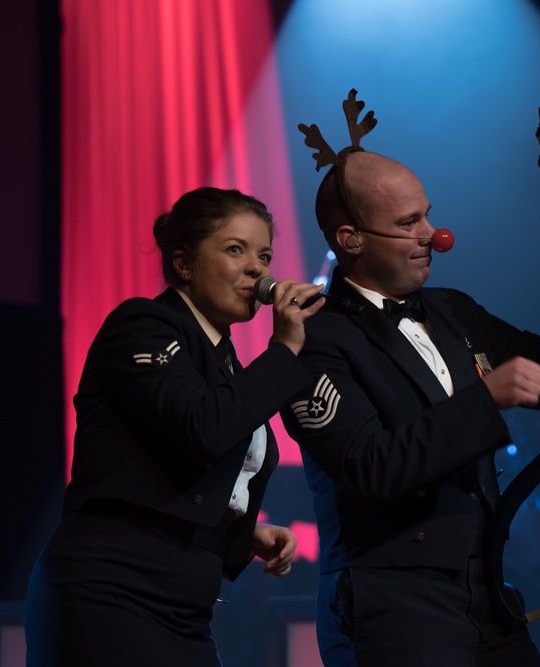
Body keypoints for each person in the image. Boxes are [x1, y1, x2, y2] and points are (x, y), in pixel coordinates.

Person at [279, 139, 540, 664]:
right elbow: (369, 467)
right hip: (392, 605)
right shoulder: (315, 338)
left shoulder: (454, 311)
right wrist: (484, 402)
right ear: (350, 239)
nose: (433, 237)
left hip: (485, 593)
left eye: (428, 217)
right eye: (407, 223)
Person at [25, 187, 326, 666]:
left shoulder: (225, 362)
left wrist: (241, 529)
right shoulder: (141, 326)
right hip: (112, 586)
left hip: (184, 604)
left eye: (264, 255)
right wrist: (285, 351)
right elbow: (204, 427)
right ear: (184, 265)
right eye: (235, 250)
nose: (257, 268)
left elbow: (180, 467)